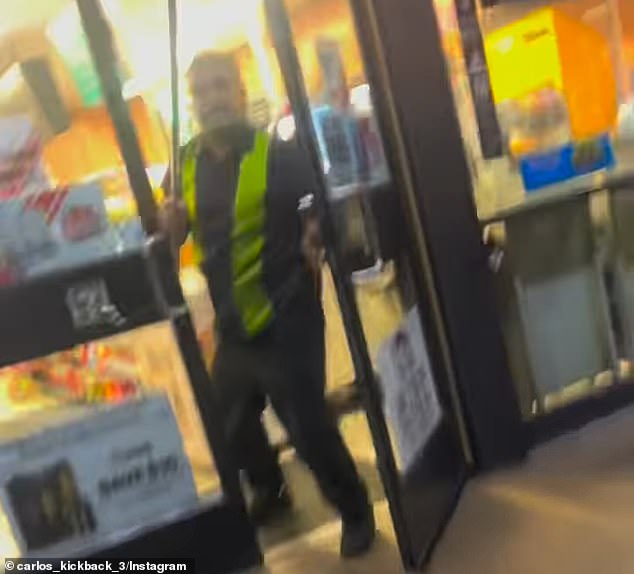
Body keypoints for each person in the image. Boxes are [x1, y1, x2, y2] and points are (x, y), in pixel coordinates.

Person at [159, 51, 374, 558]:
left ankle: (356, 509)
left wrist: (315, 229)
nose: (212, 99)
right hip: (235, 329)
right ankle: (271, 492)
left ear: (239, 92)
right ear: (191, 102)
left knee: (307, 429)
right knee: (228, 425)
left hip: (287, 320)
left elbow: (319, 208)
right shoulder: (182, 164)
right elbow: (170, 239)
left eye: (221, 87)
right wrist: (167, 230)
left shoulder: (278, 154)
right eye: (201, 91)